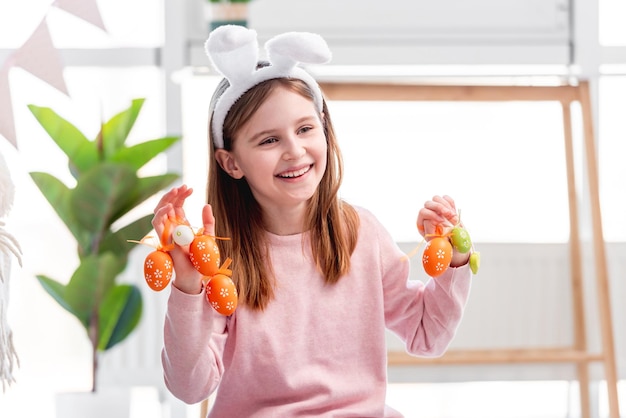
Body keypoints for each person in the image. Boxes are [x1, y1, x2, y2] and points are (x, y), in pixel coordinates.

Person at [153, 25, 473, 418]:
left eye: (305, 129)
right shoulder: (222, 259)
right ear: (231, 163)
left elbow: (428, 336)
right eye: (269, 140)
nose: (294, 151)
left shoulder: (362, 234)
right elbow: (189, 387)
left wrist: (454, 261)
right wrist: (187, 286)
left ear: (324, 128)